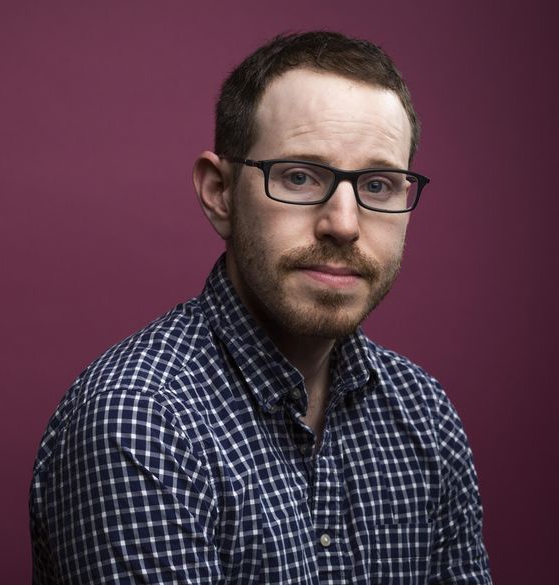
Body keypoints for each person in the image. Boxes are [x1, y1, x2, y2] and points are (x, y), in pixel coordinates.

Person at [29, 31, 490, 584]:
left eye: (379, 184)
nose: (343, 223)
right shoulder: (140, 421)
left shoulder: (423, 414)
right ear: (220, 192)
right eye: (299, 176)